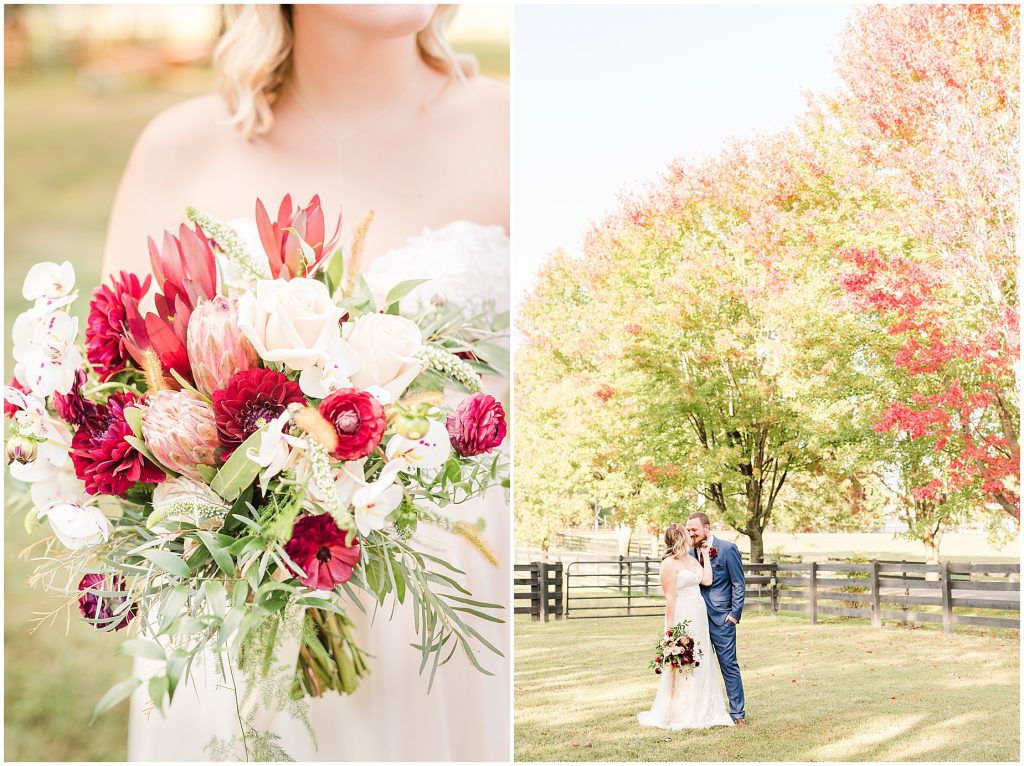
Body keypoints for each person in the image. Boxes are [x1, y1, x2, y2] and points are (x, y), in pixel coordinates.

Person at [100, 5, 509, 761]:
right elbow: (110, 410)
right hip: (237, 612)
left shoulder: (510, 127)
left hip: (455, 602)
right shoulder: (179, 148)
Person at [637, 522, 735, 730]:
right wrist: (670, 633)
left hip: (698, 613)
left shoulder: (691, 559)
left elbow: (707, 580)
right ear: (680, 537)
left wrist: (706, 555)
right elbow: (670, 599)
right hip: (682, 613)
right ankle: (679, 710)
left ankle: (702, 706)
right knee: (683, 659)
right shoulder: (668, 564)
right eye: (687, 532)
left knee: (701, 656)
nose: (692, 535)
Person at [685, 511, 747, 725]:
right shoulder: (687, 552)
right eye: (688, 530)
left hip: (722, 618)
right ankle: (700, 711)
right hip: (695, 618)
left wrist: (734, 615)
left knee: (728, 665)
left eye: (694, 530)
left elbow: (738, 583)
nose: (690, 533)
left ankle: (738, 714)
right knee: (696, 666)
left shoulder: (728, 549)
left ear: (707, 528)